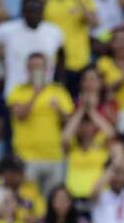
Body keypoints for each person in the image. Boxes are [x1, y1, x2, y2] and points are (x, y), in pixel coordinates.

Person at [7, 52, 75, 194]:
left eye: (40, 67)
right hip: (27, 157)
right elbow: (19, 115)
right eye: (33, 67)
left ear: (47, 70)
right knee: (29, 200)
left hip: (54, 156)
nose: (37, 71)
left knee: (52, 201)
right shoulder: (18, 91)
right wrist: (35, 95)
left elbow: (70, 122)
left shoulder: (59, 91)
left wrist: (60, 112)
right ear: (27, 69)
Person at [0, 0, 64, 98]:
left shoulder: (54, 32)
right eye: (30, 11)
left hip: (46, 96)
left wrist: (60, 79)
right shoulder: (6, 30)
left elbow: (62, 56)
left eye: (37, 11)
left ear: (43, 11)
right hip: (13, 94)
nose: (33, 15)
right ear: (23, 12)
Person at [44, 0, 97, 97]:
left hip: (79, 62)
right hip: (53, 63)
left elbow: (94, 22)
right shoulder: (47, 0)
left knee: (77, 100)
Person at [61, 95, 114, 203]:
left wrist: (91, 111)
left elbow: (110, 132)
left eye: (88, 124)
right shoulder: (72, 147)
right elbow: (65, 137)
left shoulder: (100, 145)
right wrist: (81, 111)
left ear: (94, 126)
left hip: (98, 196)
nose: (85, 128)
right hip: (74, 196)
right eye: (82, 124)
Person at [0, 156, 46, 223]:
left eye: (22, 171)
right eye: (16, 172)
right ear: (5, 173)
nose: (21, 175)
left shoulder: (31, 187)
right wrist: (20, 217)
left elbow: (41, 210)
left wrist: (36, 218)